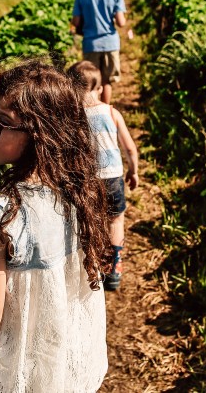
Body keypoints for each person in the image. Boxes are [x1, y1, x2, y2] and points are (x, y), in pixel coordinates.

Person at [0, 59, 109, 393]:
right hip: (74, 360)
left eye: (2, 123)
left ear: (39, 135)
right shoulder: (80, 189)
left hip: (26, 375)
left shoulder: (1, 216)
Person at [68, 60, 140, 292]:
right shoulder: (112, 112)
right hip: (113, 178)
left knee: (92, 219)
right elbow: (130, 148)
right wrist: (134, 171)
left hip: (88, 179)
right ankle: (114, 269)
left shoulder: (74, 117)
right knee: (115, 220)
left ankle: (95, 264)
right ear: (99, 88)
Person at [71, 0, 127, 104]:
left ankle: (92, 112)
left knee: (92, 81)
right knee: (106, 81)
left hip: (90, 43)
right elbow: (121, 22)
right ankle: (106, 110)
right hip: (110, 42)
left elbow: (75, 22)